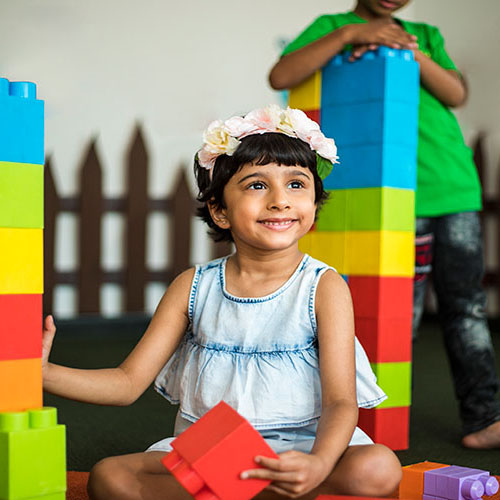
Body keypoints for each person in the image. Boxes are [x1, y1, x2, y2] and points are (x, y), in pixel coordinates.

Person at [42, 105, 402, 500]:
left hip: (306, 447)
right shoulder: (193, 286)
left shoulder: (324, 286)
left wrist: (317, 464)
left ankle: (257, 492)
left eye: (296, 184)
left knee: (378, 467)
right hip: (213, 454)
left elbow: (340, 402)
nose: (280, 201)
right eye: (257, 185)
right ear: (220, 211)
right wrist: (41, 373)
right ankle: (260, 493)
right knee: (111, 477)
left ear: (314, 204)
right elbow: (127, 384)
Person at [268, 0, 500, 450]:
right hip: (389, 199)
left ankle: (484, 417)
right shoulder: (332, 26)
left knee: (466, 306)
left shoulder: (424, 34)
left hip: (452, 185)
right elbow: (282, 76)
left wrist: (409, 51)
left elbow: (455, 94)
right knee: (396, 315)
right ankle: (374, 424)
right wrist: (353, 36)